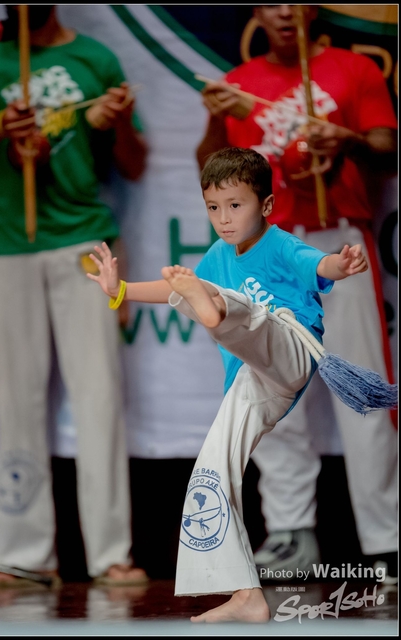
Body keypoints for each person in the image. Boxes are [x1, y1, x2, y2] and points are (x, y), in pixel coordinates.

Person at [87, 147, 370, 622]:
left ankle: (217, 312)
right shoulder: (220, 255)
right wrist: (121, 290)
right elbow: (175, 287)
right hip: (254, 382)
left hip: (289, 349)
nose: (223, 218)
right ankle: (246, 593)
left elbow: (320, 265)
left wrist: (342, 265)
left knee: (245, 312)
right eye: (213, 208)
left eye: (235, 205)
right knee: (212, 475)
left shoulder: (279, 244)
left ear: (265, 206)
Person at [195, 4, 398, 579]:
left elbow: (388, 151)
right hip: (266, 248)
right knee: (267, 388)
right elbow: (211, 174)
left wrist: (347, 140)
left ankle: (385, 537)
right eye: (271, 3)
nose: (284, 11)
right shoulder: (238, 83)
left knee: (360, 384)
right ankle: (289, 532)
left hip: (337, 241)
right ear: (258, 13)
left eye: (294, 2)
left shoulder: (354, 69)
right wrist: (216, 121)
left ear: (311, 8)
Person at [0, 5, 148, 588]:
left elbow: (136, 163)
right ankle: (24, 558)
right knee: (16, 399)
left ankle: (111, 555)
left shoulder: (94, 59)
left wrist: (114, 124)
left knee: (99, 393)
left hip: (82, 237)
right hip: (8, 240)